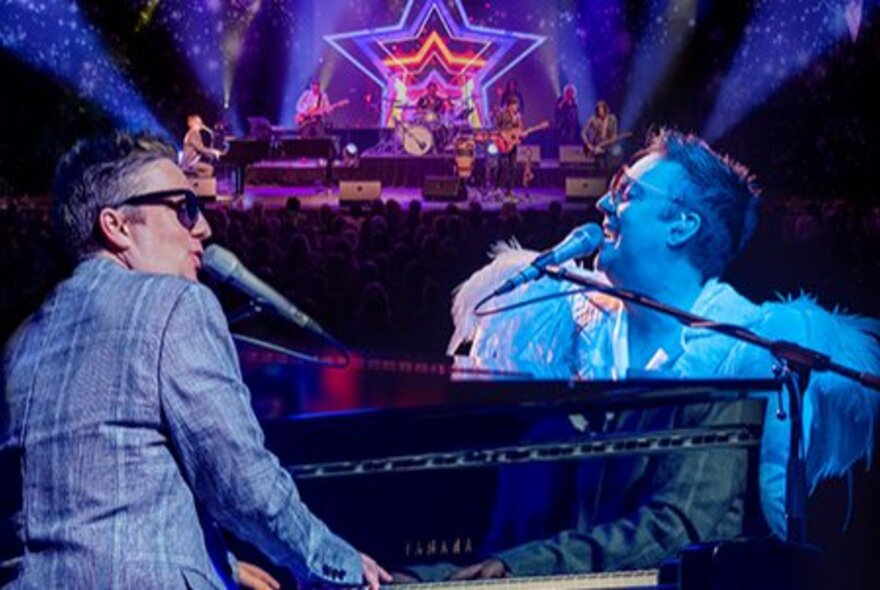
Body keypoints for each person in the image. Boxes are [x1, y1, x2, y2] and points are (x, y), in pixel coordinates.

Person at [404, 129, 879, 581]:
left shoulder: (740, 358)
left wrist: (517, 569)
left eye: (627, 192)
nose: (603, 203)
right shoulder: (575, 333)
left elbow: (683, 529)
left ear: (682, 225)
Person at [0, 132, 391, 589]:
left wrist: (218, 561)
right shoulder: (176, 303)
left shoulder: (19, 343)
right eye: (184, 207)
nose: (203, 227)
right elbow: (243, 484)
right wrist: (335, 562)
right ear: (118, 226)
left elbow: (93, 497)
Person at [493, 95, 524, 198]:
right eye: (515, 105)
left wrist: (520, 135)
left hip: (513, 144)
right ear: (510, 105)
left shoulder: (518, 116)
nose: (516, 107)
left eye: (517, 105)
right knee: (502, 166)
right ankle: (497, 188)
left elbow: (519, 130)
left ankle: (509, 189)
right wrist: (503, 136)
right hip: (503, 143)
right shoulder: (501, 114)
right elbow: (496, 127)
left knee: (513, 167)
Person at [581, 100, 619, 170]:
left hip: (608, 146)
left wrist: (612, 140)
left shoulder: (612, 119)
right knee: (599, 164)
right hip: (595, 145)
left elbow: (614, 134)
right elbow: (583, 133)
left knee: (613, 158)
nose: (600, 113)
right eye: (598, 111)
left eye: (601, 110)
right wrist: (588, 144)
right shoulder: (593, 119)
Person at [182, 114, 221, 178]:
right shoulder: (193, 133)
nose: (201, 124)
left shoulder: (193, 133)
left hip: (191, 162)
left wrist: (210, 155)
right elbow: (201, 148)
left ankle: (195, 179)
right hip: (189, 163)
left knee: (207, 168)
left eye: (201, 122)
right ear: (194, 124)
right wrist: (214, 152)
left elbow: (199, 150)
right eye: (199, 123)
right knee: (210, 169)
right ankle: (195, 182)